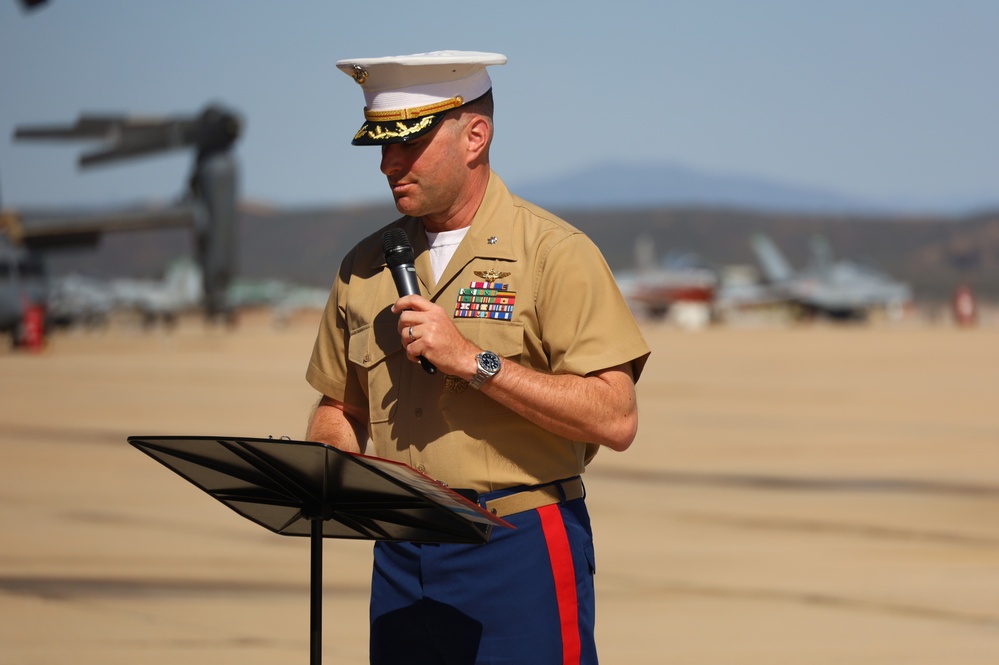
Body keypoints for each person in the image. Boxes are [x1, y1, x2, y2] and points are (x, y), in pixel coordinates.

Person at [305, 50, 650, 665]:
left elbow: (614, 417)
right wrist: (331, 460)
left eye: (407, 144)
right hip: (400, 548)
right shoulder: (362, 267)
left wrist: (475, 362)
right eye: (381, 146)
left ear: (475, 135)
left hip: (517, 544)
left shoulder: (554, 253)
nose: (389, 164)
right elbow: (340, 405)